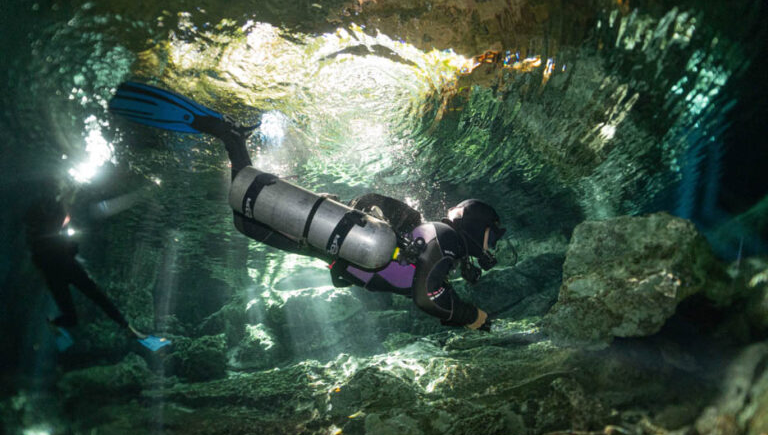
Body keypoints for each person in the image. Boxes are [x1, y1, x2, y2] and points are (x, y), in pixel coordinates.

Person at [109, 82, 507, 331]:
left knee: (243, 222)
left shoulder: (437, 240)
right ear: (475, 225)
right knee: (245, 209)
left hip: (324, 247)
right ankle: (231, 137)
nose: (492, 247)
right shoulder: (446, 238)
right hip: (326, 244)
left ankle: (233, 141)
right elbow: (427, 298)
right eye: (492, 236)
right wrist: (474, 318)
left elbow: (417, 275)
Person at [25, 184, 147, 340]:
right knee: (86, 307)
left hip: (60, 269)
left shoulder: (42, 236)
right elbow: (60, 237)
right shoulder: (48, 227)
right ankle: (55, 323)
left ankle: (127, 327)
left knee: (88, 305)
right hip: (62, 269)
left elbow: (58, 247)